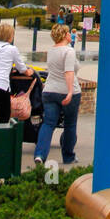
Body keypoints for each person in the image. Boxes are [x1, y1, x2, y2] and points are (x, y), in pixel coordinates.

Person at [34, 23, 80, 167]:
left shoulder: (52, 50)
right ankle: (68, 156)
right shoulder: (69, 51)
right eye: (68, 33)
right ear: (65, 35)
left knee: (48, 123)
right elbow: (69, 72)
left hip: (50, 90)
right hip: (66, 90)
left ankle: (40, 154)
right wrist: (70, 91)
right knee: (70, 124)